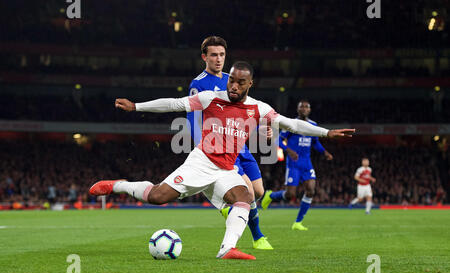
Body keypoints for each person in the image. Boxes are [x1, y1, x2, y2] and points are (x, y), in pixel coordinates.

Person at [89, 61, 355, 259]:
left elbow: (292, 124)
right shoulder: (211, 98)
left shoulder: (258, 108)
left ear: (250, 84)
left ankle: (227, 248)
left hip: (226, 169)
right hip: (201, 162)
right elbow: (174, 104)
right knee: (157, 197)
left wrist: (326, 133)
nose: (234, 86)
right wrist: (137, 106)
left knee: (246, 198)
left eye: (240, 82)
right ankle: (119, 185)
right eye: (232, 81)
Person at [188, 36, 273, 250]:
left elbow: (245, 113)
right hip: (219, 149)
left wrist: (261, 128)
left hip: (240, 146)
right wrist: (204, 149)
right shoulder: (198, 84)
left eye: (222, 55)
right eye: (214, 55)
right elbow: (194, 120)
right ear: (204, 57)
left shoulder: (232, 79)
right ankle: (258, 237)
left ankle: (229, 209)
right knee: (249, 192)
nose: (219, 59)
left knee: (260, 190)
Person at [261, 100, 333, 231]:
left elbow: (315, 142)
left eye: (307, 107)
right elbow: (278, 139)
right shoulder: (291, 124)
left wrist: (325, 152)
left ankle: (298, 222)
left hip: (307, 163)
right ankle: (271, 195)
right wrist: (288, 150)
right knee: (290, 195)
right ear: (298, 110)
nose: (304, 109)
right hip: (293, 164)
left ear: (310, 110)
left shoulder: (313, 125)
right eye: (302, 107)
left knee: (311, 190)